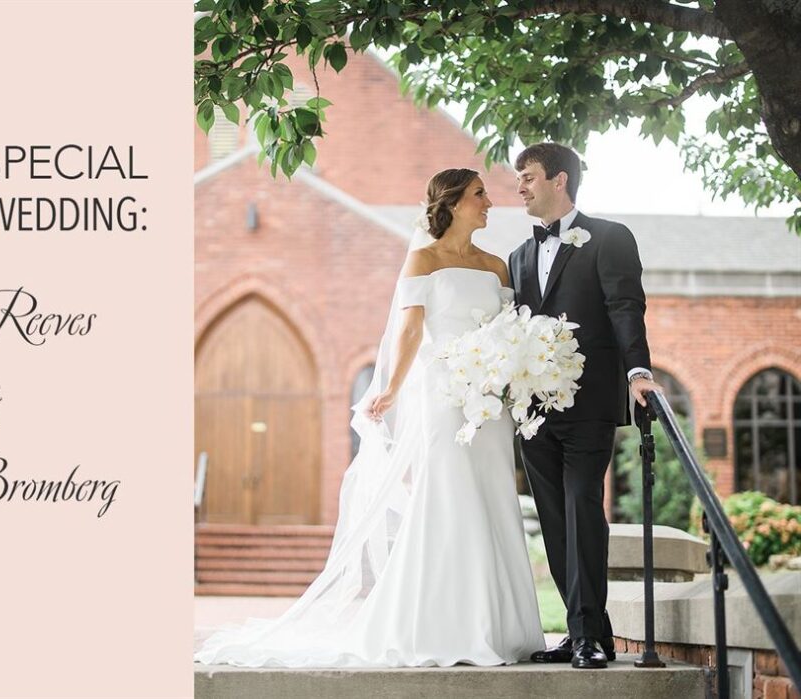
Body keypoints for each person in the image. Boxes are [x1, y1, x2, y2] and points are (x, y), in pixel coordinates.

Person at [194, 168, 545, 668]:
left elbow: (509, 328)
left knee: (493, 498)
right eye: (479, 194)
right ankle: (439, 625)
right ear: (452, 202)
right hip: (445, 401)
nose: (490, 201)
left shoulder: (497, 267)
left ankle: (502, 629)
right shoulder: (422, 259)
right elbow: (409, 332)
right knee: (449, 498)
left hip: (489, 407)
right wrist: (391, 390)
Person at [507, 143, 662, 670]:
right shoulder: (519, 256)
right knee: (554, 522)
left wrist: (638, 371)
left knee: (581, 510)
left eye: (527, 177)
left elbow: (625, 306)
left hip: (589, 403)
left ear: (559, 180)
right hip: (534, 411)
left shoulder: (611, 238)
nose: (520, 187)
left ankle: (588, 637)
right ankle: (585, 634)